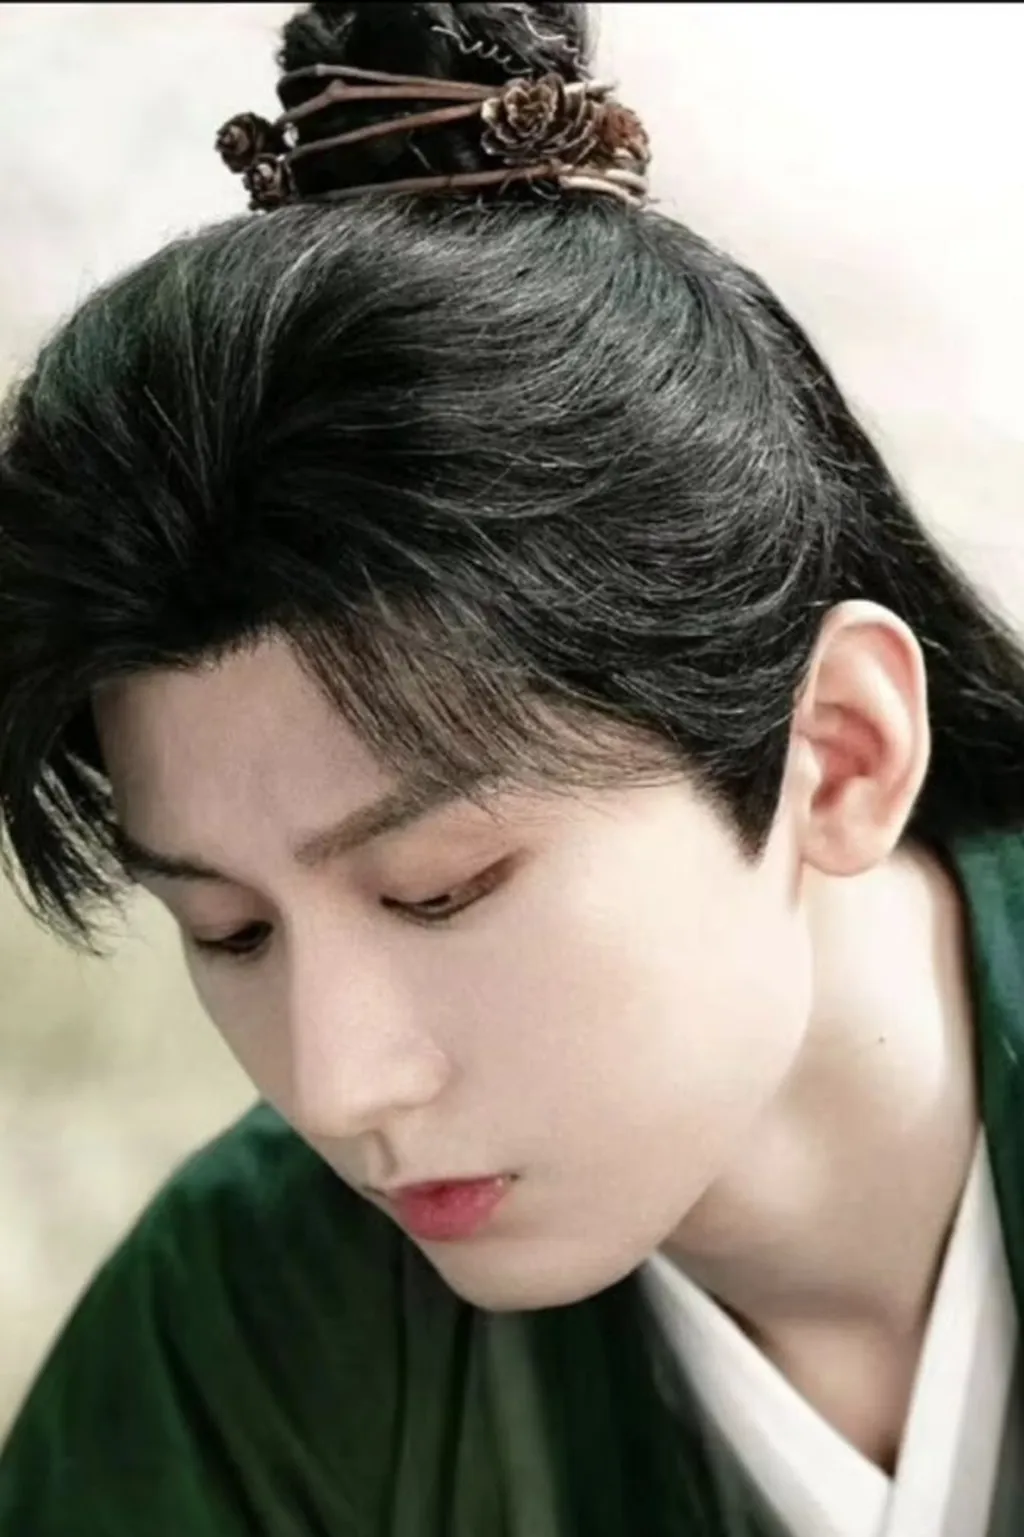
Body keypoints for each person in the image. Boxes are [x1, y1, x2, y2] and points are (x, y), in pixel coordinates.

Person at [0, 3, 1022, 1533]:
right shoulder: (241, 1337)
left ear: (835, 753)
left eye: (440, 891)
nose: (339, 1086)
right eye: (232, 931)